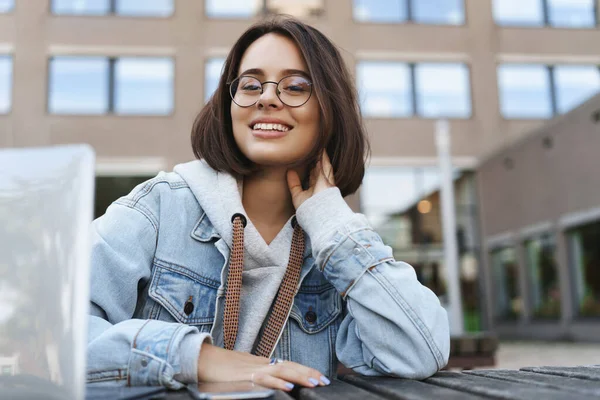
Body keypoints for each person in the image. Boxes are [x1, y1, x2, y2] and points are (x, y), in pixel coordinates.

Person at [86, 16, 449, 392]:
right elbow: (54, 331)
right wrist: (196, 358)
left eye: (294, 86)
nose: (267, 97)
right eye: (250, 84)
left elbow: (419, 350)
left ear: (330, 109)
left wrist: (330, 222)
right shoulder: (160, 208)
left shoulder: (336, 243)